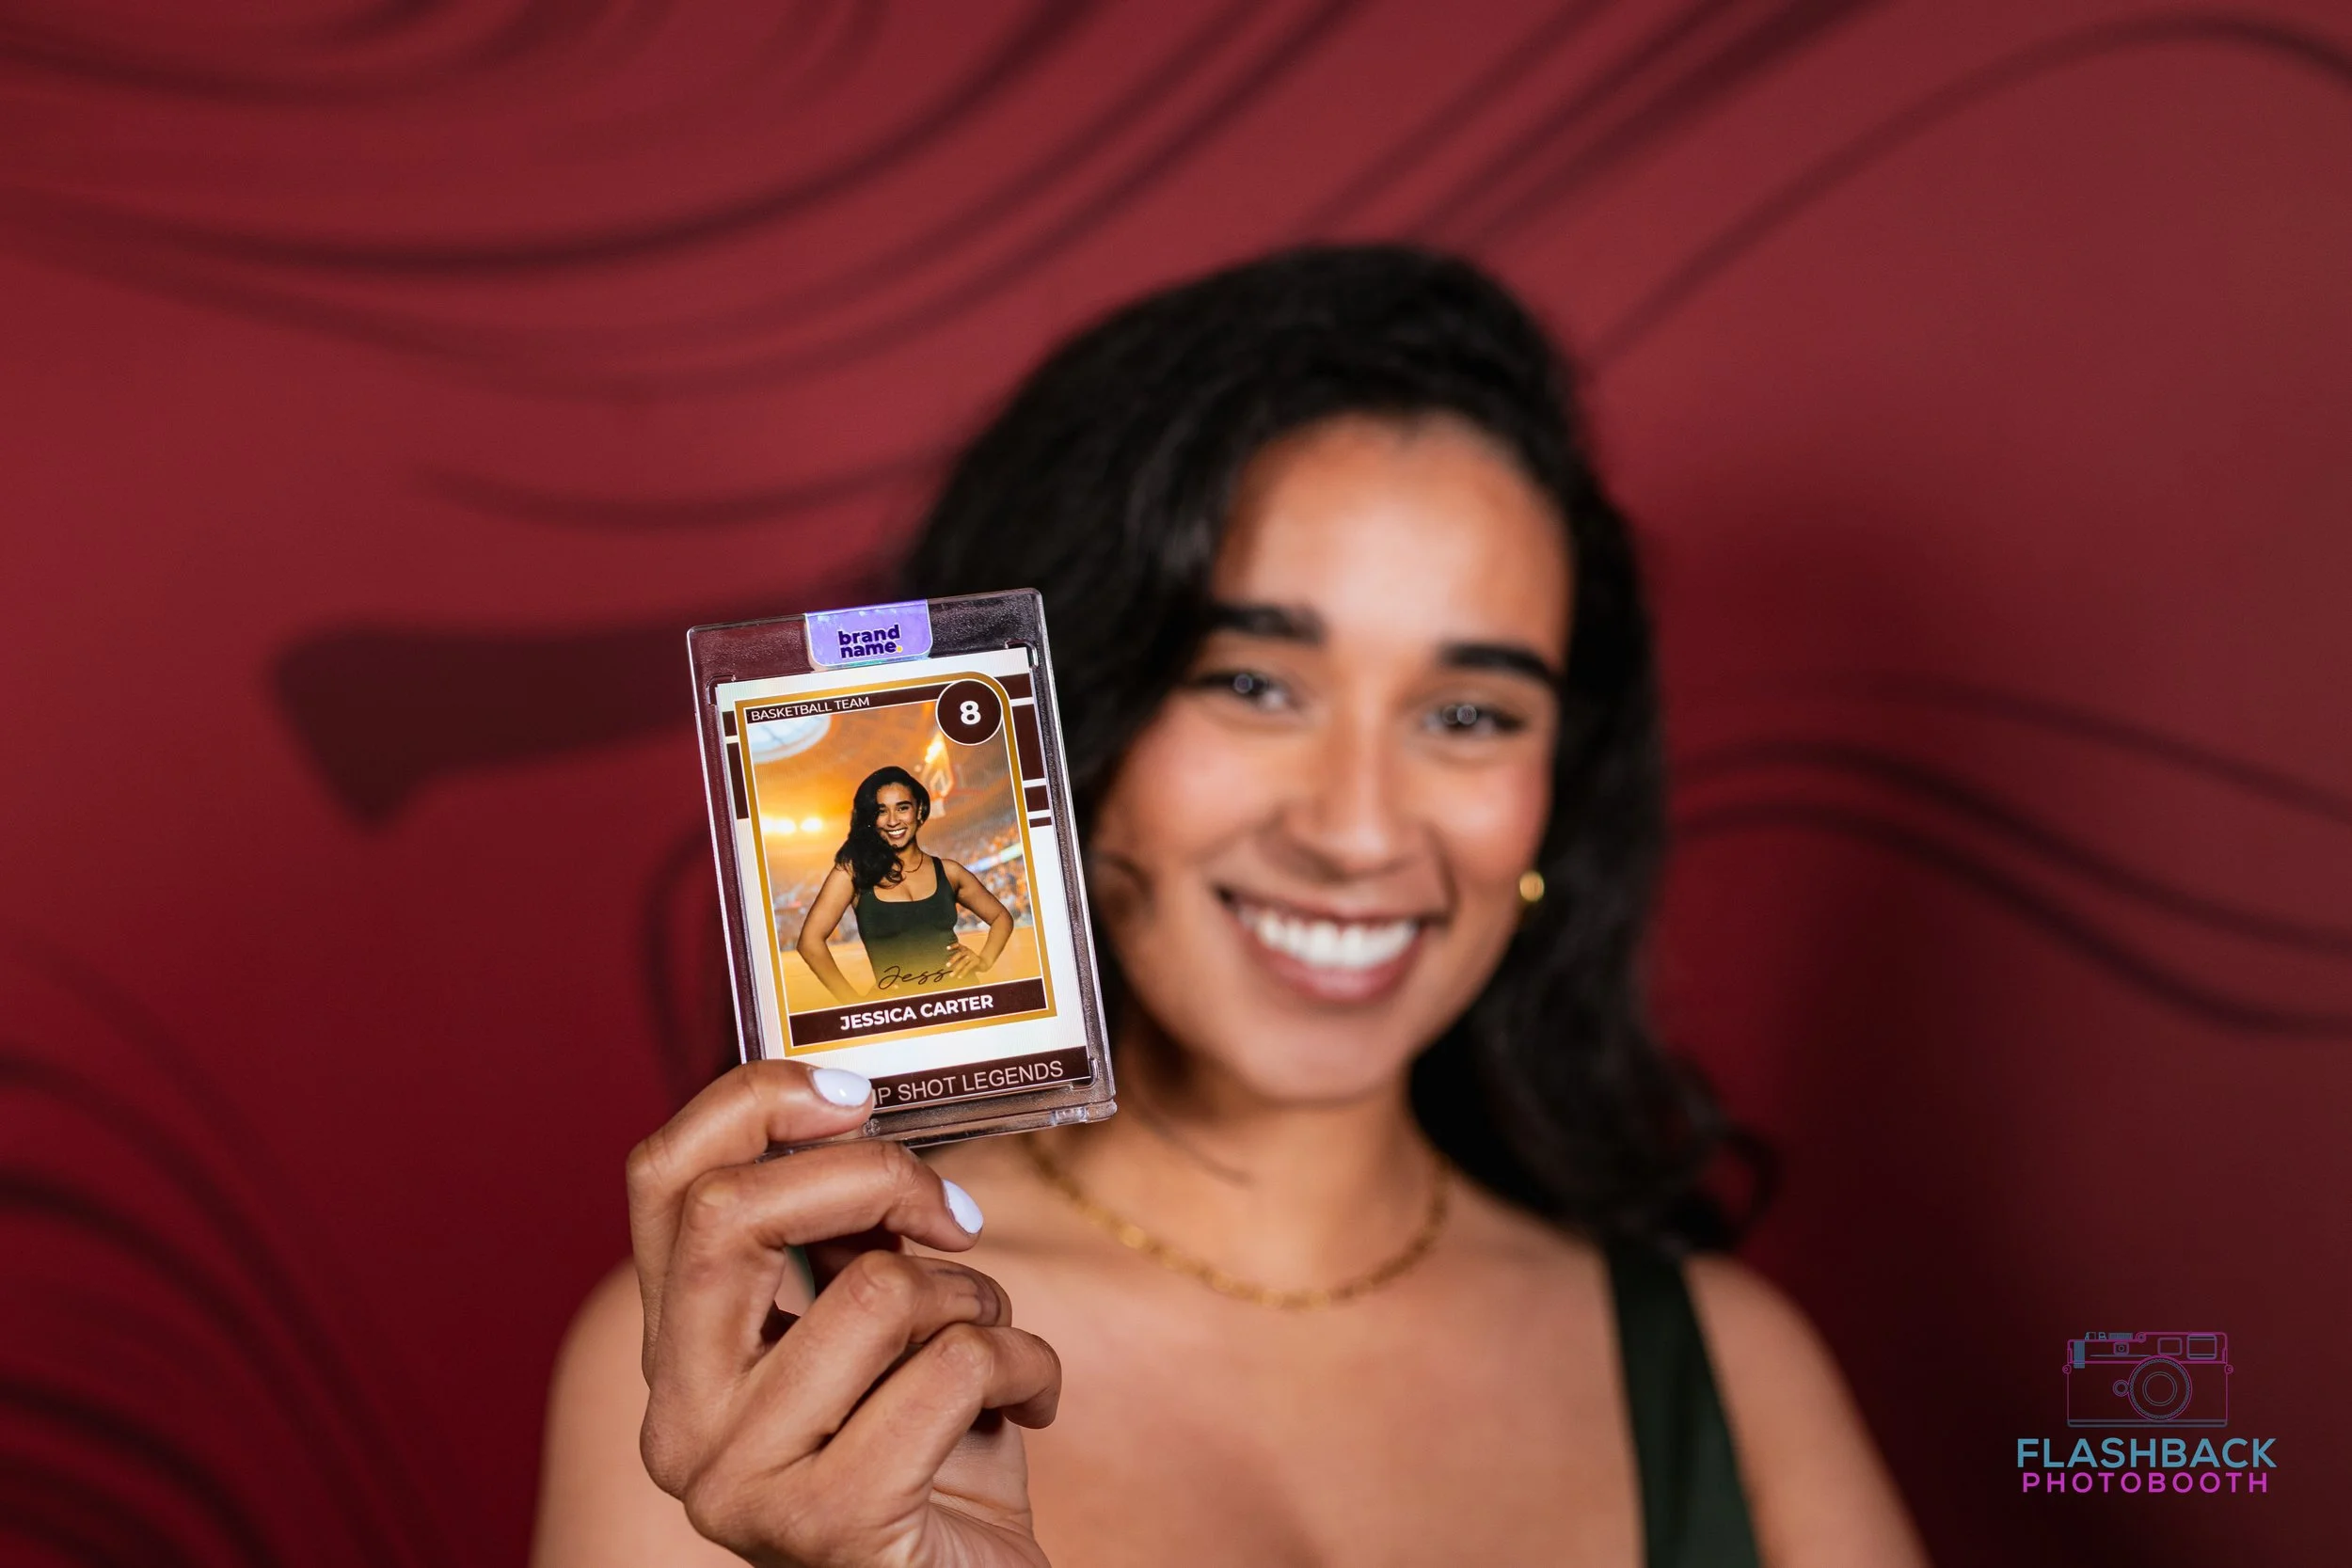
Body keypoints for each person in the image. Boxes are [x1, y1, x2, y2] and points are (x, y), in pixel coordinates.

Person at [532, 245, 1930, 1567]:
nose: (1358, 831)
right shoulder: (769, 1357)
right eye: (1254, 684)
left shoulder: (1732, 1368)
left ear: (1556, 790)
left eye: (1467, 713)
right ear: (1062, 725)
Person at [793, 766, 1014, 1003]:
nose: (892, 820)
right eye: (881, 811)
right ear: (871, 819)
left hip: (963, 1000)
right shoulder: (853, 873)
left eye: (902, 808)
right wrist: (854, 1003)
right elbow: (810, 942)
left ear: (919, 811)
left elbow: (1001, 917)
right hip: (900, 1014)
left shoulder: (949, 871)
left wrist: (984, 960)